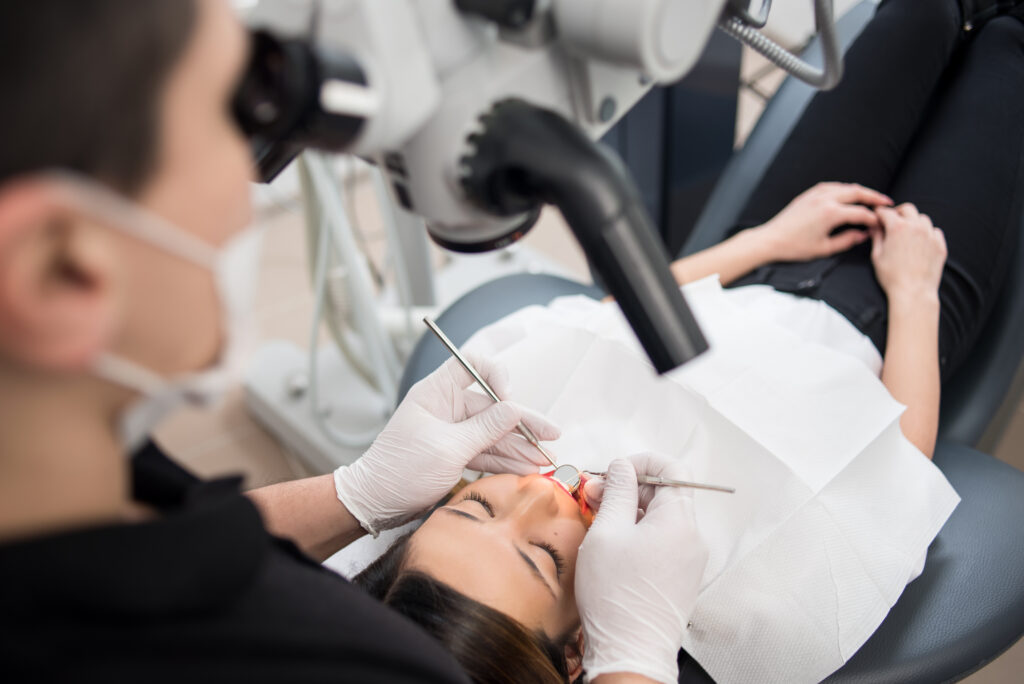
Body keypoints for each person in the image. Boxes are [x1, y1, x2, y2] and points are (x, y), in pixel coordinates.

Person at [0, 2, 706, 683]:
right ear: (61, 270)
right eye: (232, 117)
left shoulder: (74, 493)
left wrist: (356, 493)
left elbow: (169, 559)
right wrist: (635, 660)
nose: (248, 194)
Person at [342, 0, 1024, 682]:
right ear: (580, 647)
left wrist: (766, 240)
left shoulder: (508, 432)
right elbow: (897, 467)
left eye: (476, 506)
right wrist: (914, 292)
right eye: (542, 555)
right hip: (884, 319)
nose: (535, 494)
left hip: (759, 261)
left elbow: (612, 315)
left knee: (923, 15)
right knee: (1005, 49)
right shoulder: (740, 605)